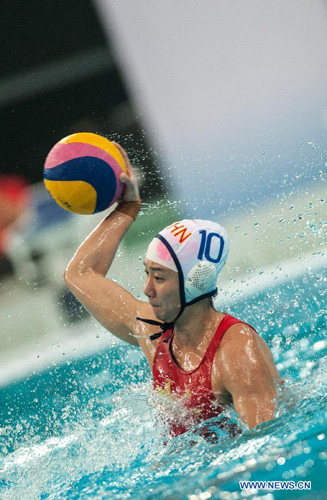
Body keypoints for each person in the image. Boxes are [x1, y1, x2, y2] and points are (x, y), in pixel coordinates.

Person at [64, 144, 281, 436]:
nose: (147, 289)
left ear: (197, 281)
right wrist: (128, 207)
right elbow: (80, 274)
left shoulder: (237, 353)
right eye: (147, 274)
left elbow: (270, 446)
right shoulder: (153, 333)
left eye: (159, 277)